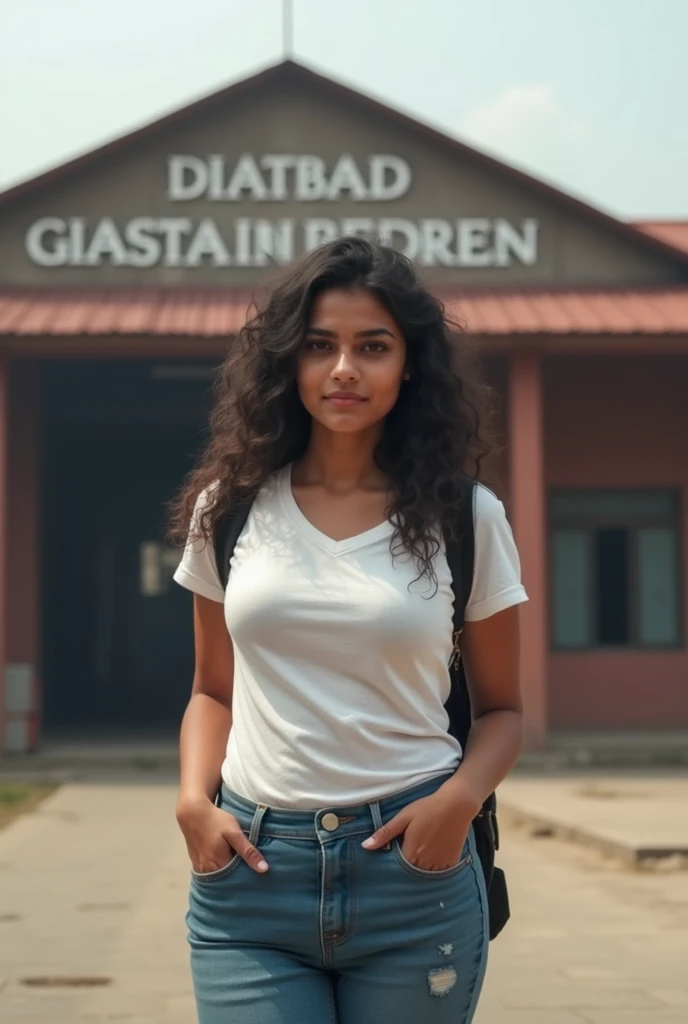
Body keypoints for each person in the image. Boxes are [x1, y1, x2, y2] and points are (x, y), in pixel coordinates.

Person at [169, 236, 527, 1024]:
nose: (343, 370)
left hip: (412, 875)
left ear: (410, 365)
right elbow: (211, 690)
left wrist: (459, 803)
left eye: (373, 347)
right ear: (287, 363)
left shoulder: (466, 518)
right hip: (252, 881)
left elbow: (503, 711)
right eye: (320, 346)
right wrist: (193, 801)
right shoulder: (227, 510)